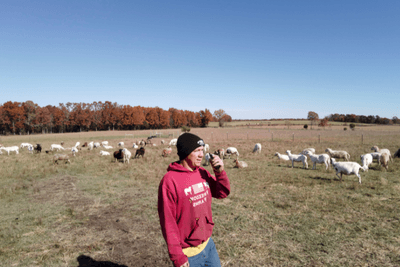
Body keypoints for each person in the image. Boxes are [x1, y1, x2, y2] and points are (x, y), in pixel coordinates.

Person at [158, 133, 231, 267]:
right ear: (186, 152)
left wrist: (220, 172)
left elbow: (222, 193)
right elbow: (168, 222)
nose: (201, 155)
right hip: (189, 254)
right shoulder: (169, 181)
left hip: (208, 245)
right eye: (197, 151)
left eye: (202, 151)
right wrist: (177, 256)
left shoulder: (202, 173)